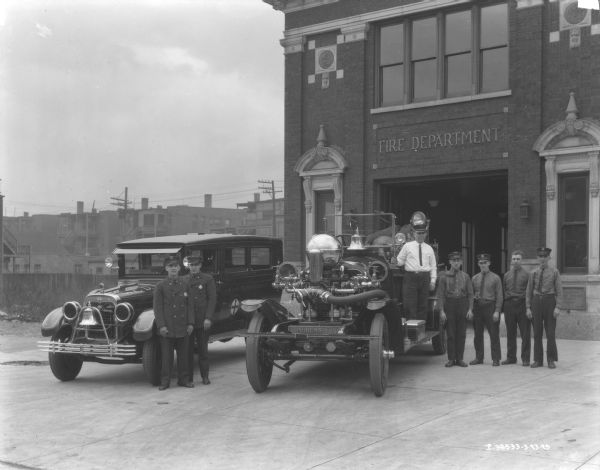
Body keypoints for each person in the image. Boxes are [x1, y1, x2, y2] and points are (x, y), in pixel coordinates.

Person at [153, 255, 195, 390]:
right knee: (167, 358)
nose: (173, 269)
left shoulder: (185, 284)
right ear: (166, 268)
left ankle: (184, 380)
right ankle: (165, 382)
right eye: (170, 266)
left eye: (175, 266)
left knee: (184, 357)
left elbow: (190, 305)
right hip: (168, 327)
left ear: (179, 268)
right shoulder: (160, 286)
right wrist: (161, 326)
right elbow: (158, 308)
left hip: (183, 325)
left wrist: (190, 323)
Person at [526, 247, 563, 369]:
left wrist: (558, 307)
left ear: (549, 258)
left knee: (550, 333)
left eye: (545, 256)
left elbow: (559, 291)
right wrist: (528, 307)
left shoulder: (554, 272)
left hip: (550, 301)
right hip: (536, 302)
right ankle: (538, 360)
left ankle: (551, 359)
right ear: (537, 258)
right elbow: (529, 291)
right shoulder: (533, 273)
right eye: (540, 256)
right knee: (537, 332)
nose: (542, 259)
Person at [396, 211, 437, 320]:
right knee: (410, 305)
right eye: (418, 233)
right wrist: (393, 260)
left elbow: (433, 267)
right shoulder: (407, 246)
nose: (420, 235)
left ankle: (421, 331)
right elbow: (399, 261)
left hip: (424, 278)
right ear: (414, 233)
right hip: (410, 278)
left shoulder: (429, 248)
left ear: (425, 234)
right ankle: (411, 332)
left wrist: (432, 281)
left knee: (423, 305)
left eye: (422, 233)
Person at [437, 251, 473, 367]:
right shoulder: (444, 277)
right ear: (450, 262)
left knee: (461, 333)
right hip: (450, 304)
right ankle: (451, 359)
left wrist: (470, 309)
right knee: (451, 333)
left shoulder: (466, 276)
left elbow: (470, 294)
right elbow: (440, 295)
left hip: (462, 304)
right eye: (454, 261)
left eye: (458, 260)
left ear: (461, 262)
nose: (456, 263)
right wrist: (441, 310)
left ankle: (460, 359)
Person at [186, 255, 217, 385]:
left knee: (203, 351)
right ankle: (189, 379)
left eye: (196, 265)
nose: (193, 267)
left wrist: (208, 318)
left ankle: (205, 376)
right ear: (188, 266)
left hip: (202, 320)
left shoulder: (207, 279)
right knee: (187, 352)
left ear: (200, 266)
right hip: (188, 322)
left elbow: (212, 299)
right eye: (191, 265)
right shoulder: (184, 280)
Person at [469, 253, 503, 366]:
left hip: (490, 306)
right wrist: (471, 308)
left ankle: (496, 358)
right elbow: (471, 294)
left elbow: (499, 295)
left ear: (489, 263)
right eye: (480, 263)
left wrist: (497, 311)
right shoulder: (474, 278)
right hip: (478, 307)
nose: (483, 265)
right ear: (478, 264)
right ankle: (479, 357)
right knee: (477, 334)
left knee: (494, 333)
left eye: (485, 262)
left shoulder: (496, 278)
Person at [502, 250, 531, 366]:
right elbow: (505, 289)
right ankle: (511, 357)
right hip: (509, 305)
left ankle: (525, 358)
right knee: (510, 332)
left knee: (525, 333)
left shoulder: (527, 275)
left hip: (522, 304)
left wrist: (528, 307)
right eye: (514, 259)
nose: (516, 261)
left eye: (518, 259)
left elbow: (529, 292)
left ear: (521, 260)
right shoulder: (506, 275)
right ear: (511, 260)